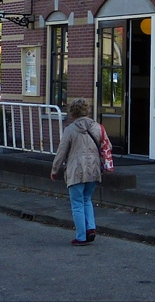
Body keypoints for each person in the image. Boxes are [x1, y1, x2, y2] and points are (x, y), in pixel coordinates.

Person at [50, 97, 103, 245]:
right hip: (94, 169)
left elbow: (61, 152)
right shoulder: (97, 127)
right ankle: (91, 227)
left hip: (76, 170)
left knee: (77, 203)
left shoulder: (70, 130)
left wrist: (55, 170)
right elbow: (107, 146)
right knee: (87, 199)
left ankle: (81, 236)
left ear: (72, 112)